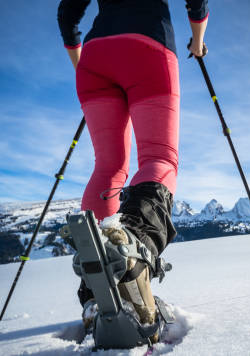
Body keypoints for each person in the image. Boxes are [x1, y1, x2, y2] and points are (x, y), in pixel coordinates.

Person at [57, 0, 208, 342]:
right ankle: (132, 254)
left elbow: (67, 13)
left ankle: (96, 286)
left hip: (94, 58)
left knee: (108, 167)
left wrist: (86, 63)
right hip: (148, 43)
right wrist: (197, 39)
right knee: (159, 158)